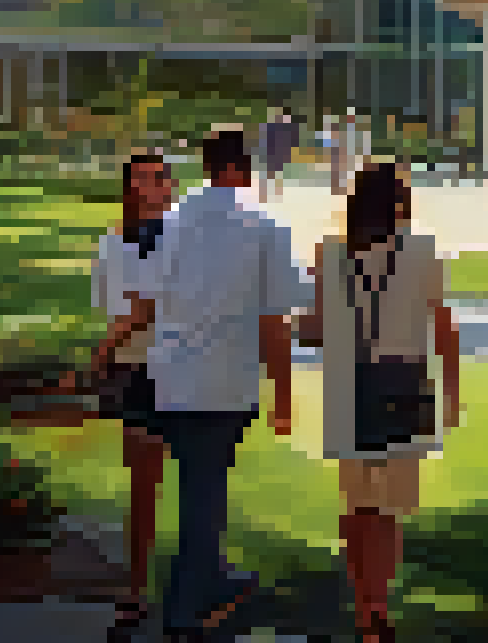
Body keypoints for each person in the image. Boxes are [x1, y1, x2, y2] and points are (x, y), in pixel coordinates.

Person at [144, 130, 306, 640]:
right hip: (225, 376)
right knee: (205, 486)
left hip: (172, 375)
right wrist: (283, 394)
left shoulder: (171, 223)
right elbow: (275, 318)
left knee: (198, 480)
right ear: (242, 168)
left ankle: (211, 578)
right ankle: (187, 604)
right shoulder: (262, 224)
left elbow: (154, 299)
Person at [308, 162, 461, 643]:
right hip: (406, 385)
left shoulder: (329, 254)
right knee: (389, 510)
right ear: (400, 205)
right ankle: (380, 606)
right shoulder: (421, 252)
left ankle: (362, 604)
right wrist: (452, 393)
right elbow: (443, 328)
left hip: (347, 386)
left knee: (357, 506)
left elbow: (315, 330)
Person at [78, 152, 179, 632]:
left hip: (183, 368)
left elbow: (149, 308)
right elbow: (127, 308)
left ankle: (192, 585)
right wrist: (114, 345)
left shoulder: (183, 242)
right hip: (137, 372)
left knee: (198, 485)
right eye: (143, 178)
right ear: (130, 186)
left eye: (160, 178)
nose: (153, 187)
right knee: (144, 485)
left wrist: (104, 348)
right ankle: (138, 588)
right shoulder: (112, 244)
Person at [258, 110, 296, 203]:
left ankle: (275, 194)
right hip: (272, 153)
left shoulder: (287, 128)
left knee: (276, 174)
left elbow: (292, 142)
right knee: (270, 174)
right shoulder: (271, 126)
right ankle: (266, 194)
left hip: (277, 154)